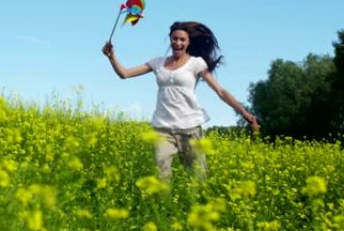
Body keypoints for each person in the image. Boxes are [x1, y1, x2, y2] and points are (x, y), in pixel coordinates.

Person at [102, 21, 259, 181]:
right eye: (174, 38)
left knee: (199, 179)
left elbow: (220, 91)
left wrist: (245, 114)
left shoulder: (196, 63)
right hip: (162, 129)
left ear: (188, 42)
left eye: (182, 39)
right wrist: (111, 56)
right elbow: (125, 73)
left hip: (189, 128)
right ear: (170, 39)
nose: (178, 42)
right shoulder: (157, 62)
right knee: (161, 181)